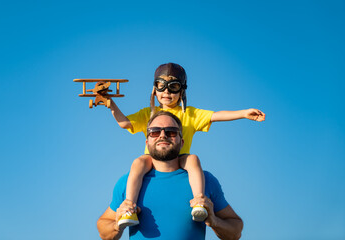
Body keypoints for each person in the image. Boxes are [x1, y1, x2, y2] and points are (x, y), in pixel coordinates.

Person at [109, 63, 265, 227]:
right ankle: (128, 206)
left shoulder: (189, 113)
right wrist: (110, 104)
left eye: (173, 87)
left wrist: (243, 113)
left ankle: (199, 201)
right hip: (153, 158)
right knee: (138, 162)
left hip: (179, 158)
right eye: (161, 86)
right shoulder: (149, 113)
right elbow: (125, 123)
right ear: (155, 90)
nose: (167, 92)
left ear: (182, 90)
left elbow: (216, 116)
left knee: (193, 159)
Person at [97, 111, 243, 240]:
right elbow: (104, 229)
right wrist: (117, 224)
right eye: (154, 132)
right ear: (147, 142)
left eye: (171, 132)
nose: (162, 135)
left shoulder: (206, 181)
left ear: (181, 142)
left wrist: (215, 221)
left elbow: (235, 231)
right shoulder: (129, 182)